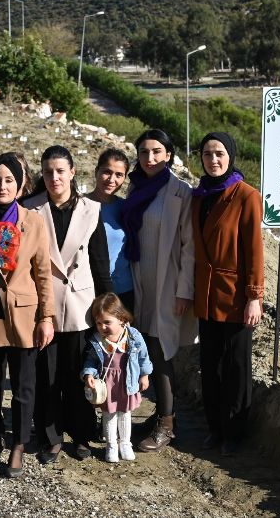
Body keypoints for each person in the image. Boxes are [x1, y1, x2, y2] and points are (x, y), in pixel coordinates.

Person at [24, 145, 113, 463]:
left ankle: (82, 434)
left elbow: (100, 261)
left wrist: (109, 309)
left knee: (81, 373)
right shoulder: (30, 209)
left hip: (81, 305)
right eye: (48, 172)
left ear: (73, 173)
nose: (54, 177)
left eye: (61, 171)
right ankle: (50, 436)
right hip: (43, 307)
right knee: (46, 375)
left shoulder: (92, 209)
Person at [0, 153, 56, 478]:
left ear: (21, 185)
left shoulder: (33, 222)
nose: (1, 186)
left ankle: (19, 444)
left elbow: (43, 273)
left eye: (9, 180)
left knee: (24, 387)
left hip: (24, 315)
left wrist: (46, 317)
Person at [121, 128, 197, 453]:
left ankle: (167, 424)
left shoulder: (180, 192)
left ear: (168, 155)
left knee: (161, 351)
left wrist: (184, 292)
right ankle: (160, 415)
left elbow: (189, 246)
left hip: (166, 285)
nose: (149, 158)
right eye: (143, 153)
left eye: (156, 152)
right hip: (140, 282)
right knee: (145, 349)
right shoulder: (136, 187)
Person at [191, 132, 264, 456]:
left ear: (230, 155)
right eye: (207, 154)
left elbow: (254, 251)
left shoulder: (246, 195)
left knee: (236, 367)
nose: (213, 160)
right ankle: (215, 427)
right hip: (206, 295)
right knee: (211, 366)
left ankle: (234, 432)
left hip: (234, 297)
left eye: (219, 153)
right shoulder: (200, 196)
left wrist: (254, 296)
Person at [82, 293, 153, 463]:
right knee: (109, 415)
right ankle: (111, 445)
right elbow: (91, 360)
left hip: (126, 382)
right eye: (99, 323)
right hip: (108, 385)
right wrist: (88, 373)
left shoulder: (133, 336)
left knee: (125, 414)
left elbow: (143, 356)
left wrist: (145, 375)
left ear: (121, 318)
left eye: (107, 322)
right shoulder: (97, 340)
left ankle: (125, 443)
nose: (102, 327)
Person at [87, 149, 134, 311]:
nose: (112, 179)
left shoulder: (126, 208)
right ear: (96, 171)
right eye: (107, 172)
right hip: (90, 290)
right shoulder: (79, 206)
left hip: (124, 291)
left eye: (119, 175)